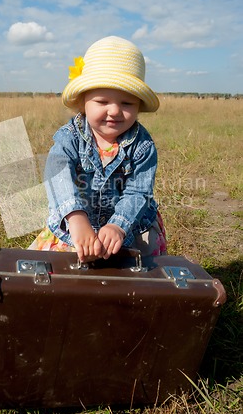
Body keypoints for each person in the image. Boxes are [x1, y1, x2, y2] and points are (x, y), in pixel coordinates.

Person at [28, 36, 167, 262]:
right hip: (76, 223)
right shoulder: (69, 138)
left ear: (139, 106)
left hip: (130, 224)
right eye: (102, 101)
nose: (114, 111)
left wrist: (118, 225)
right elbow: (57, 176)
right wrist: (76, 217)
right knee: (58, 268)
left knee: (140, 270)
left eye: (127, 103)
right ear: (84, 102)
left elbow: (138, 192)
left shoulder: (143, 145)